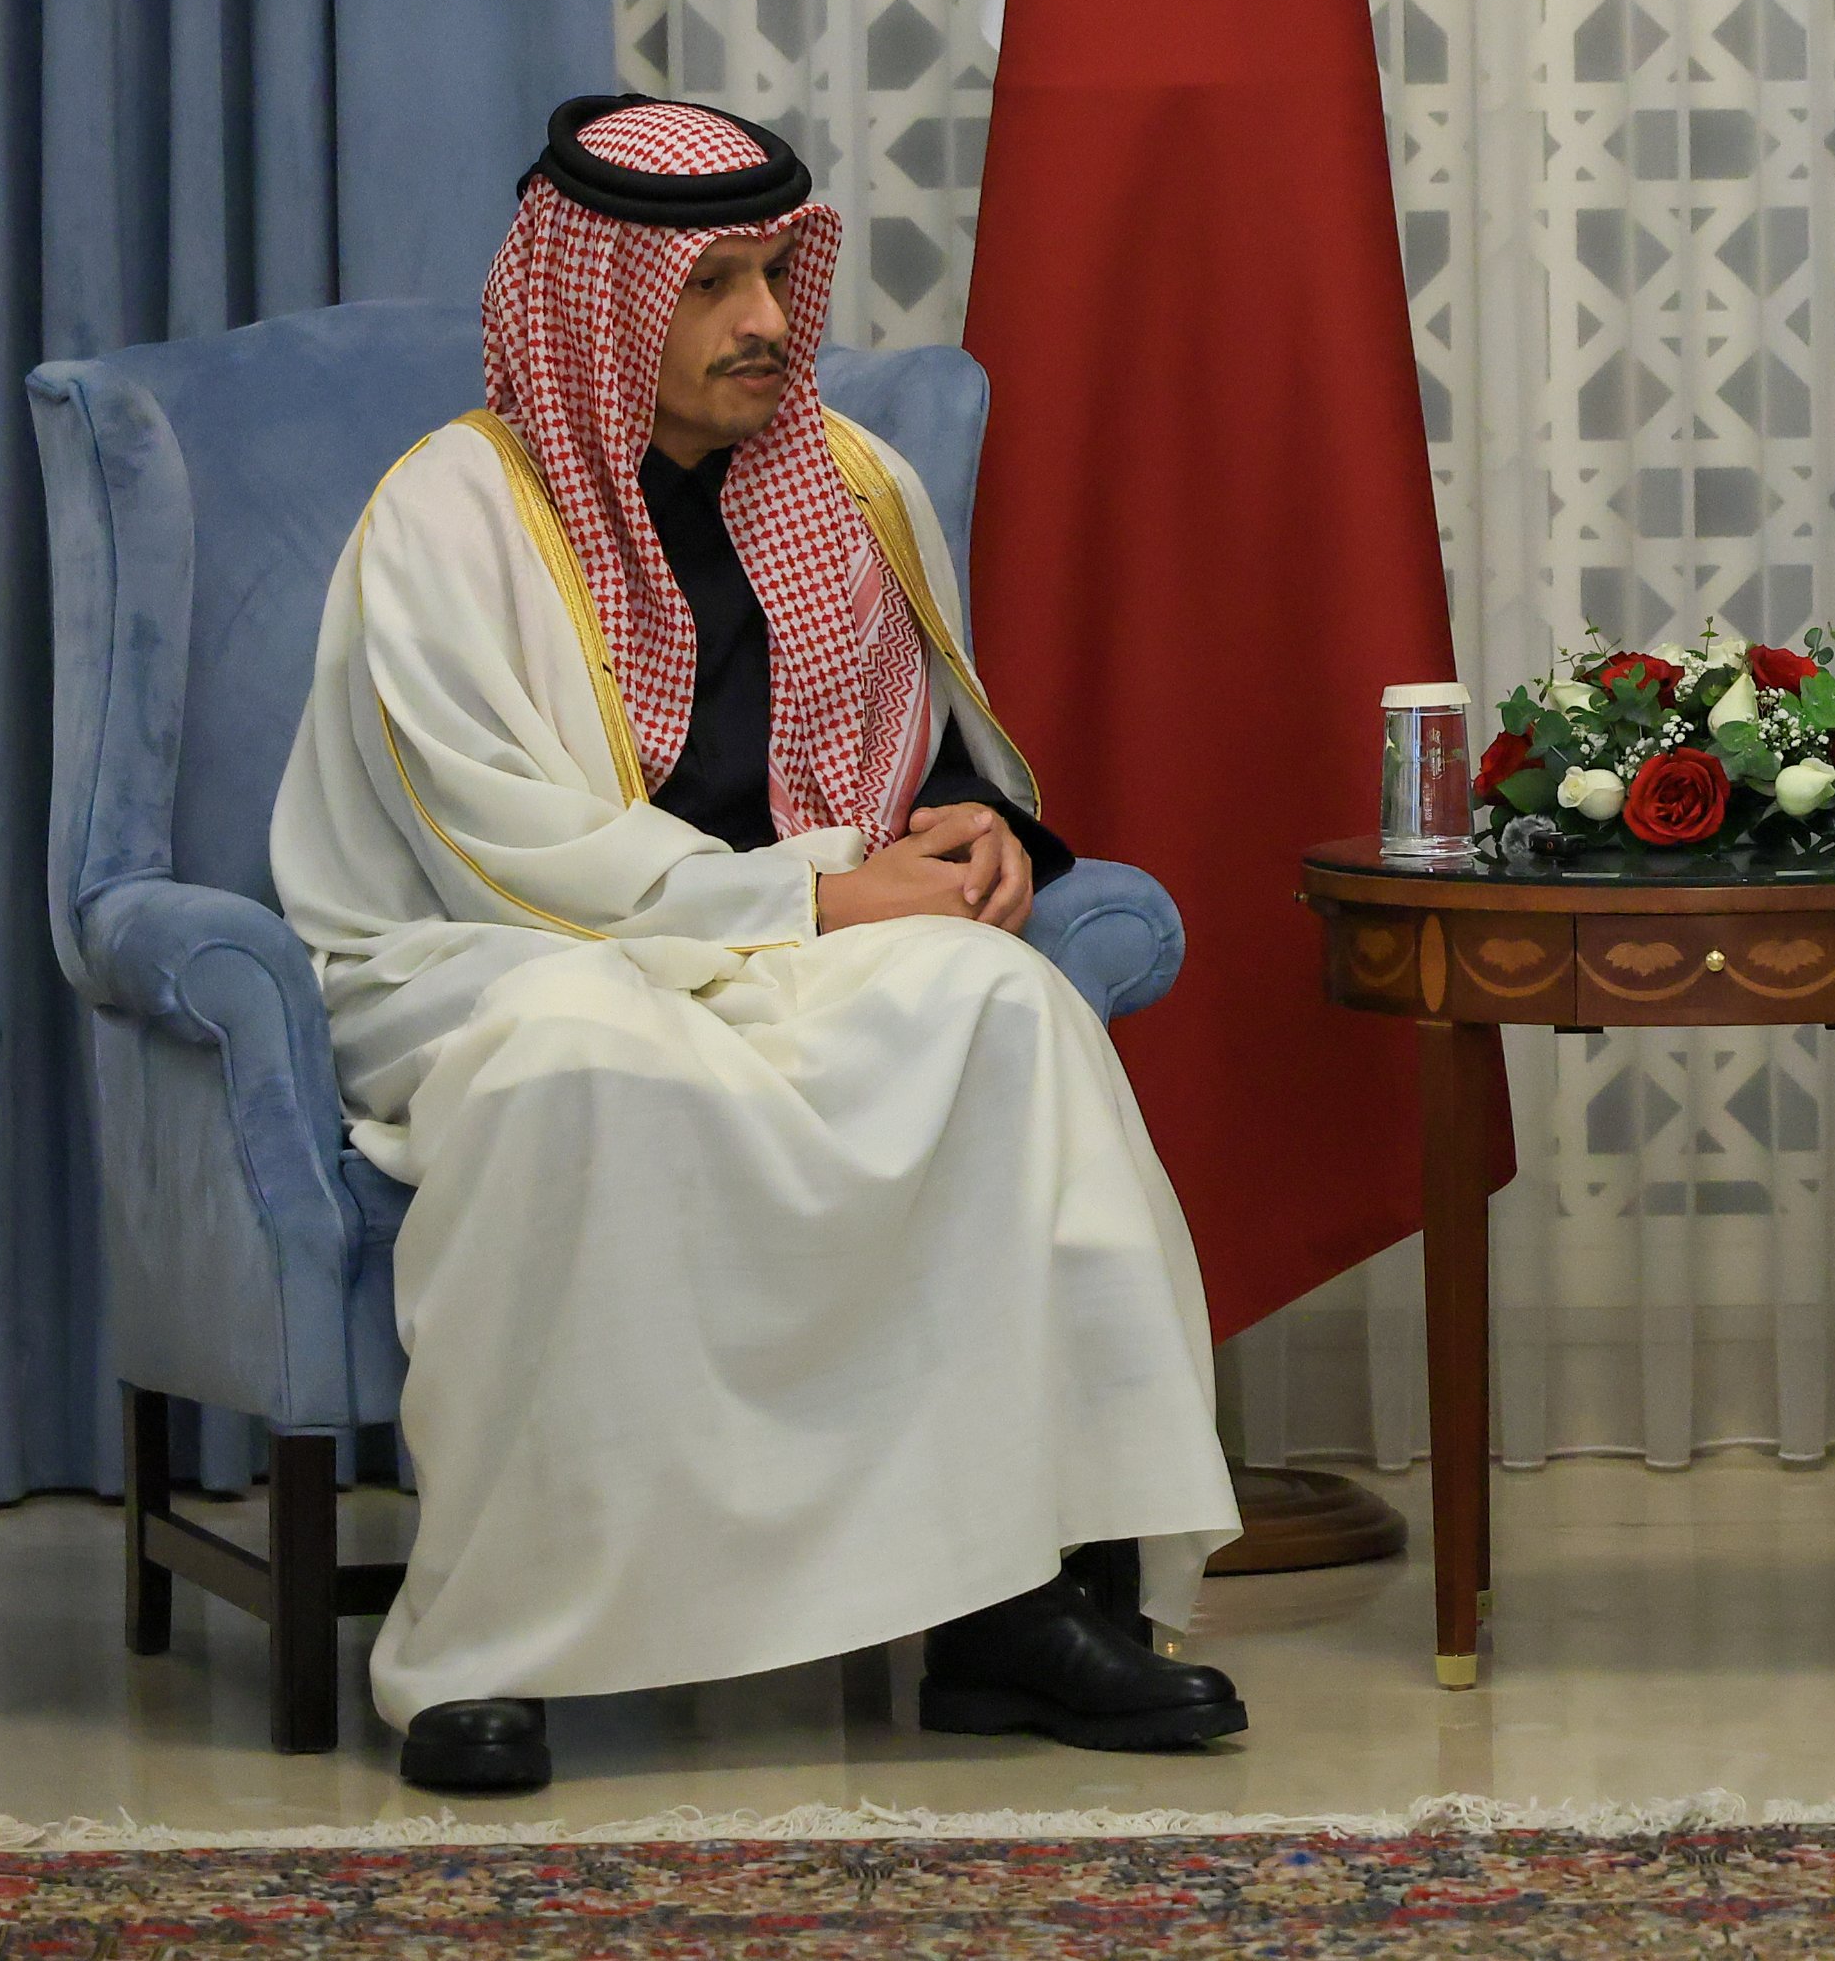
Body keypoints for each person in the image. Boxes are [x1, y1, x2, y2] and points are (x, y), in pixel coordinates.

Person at [271, 96, 1245, 1793]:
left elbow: (913, 754)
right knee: (580, 1062)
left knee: (1000, 1012)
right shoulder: (453, 512)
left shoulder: (845, 486)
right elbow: (496, 839)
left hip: (787, 947)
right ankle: (494, 1643)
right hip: (497, 956)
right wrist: (807, 899)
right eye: (714, 284)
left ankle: (1012, 1602)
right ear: (603, 302)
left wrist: (983, 835)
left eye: (779, 275)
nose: (769, 322)